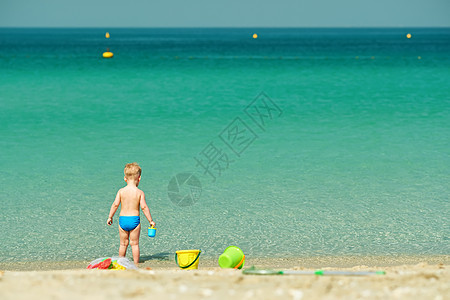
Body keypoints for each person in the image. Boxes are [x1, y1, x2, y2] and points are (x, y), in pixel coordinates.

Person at [107, 162, 156, 265]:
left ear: (125, 178)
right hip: (134, 220)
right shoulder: (139, 192)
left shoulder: (121, 191)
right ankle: (136, 264)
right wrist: (150, 220)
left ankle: (120, 263)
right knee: (134, 244)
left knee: (123, 244)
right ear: (139, 178)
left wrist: (110, 217)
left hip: (123, 220)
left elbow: (115, 204)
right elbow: (144, 207)